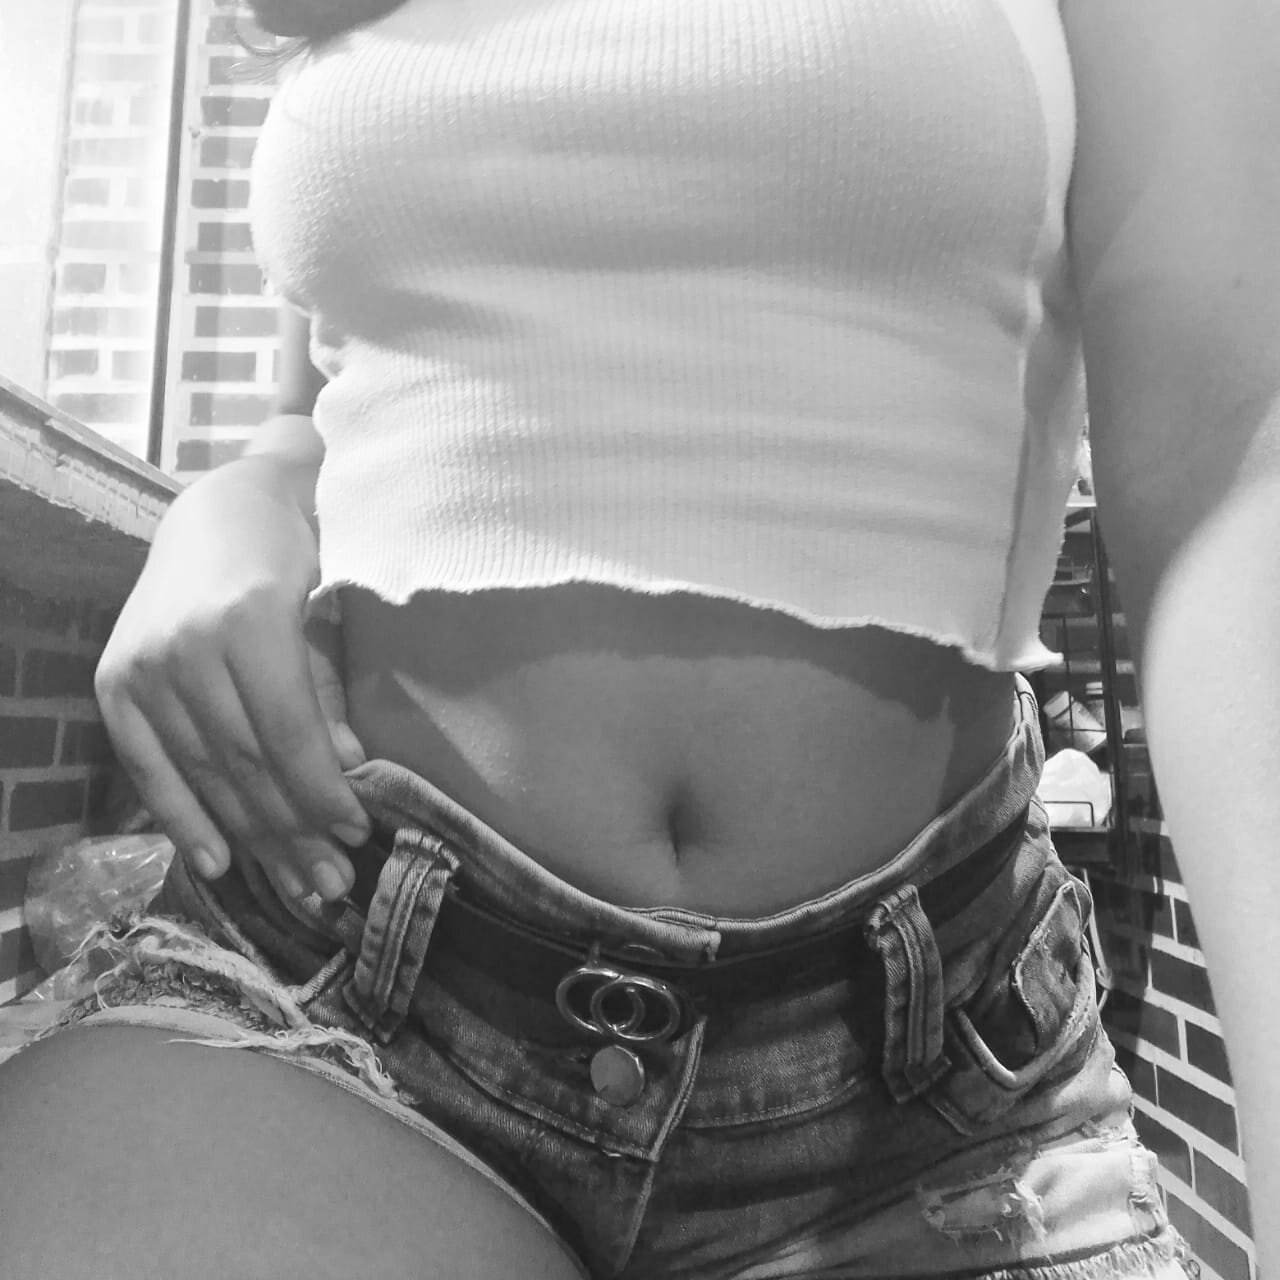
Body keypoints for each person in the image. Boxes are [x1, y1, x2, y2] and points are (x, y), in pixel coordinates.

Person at [1, 0, 1274, 1275]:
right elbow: (334, 392)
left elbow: (1226, 447)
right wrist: (241, 498)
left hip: (931, 1095)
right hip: (340, 984)